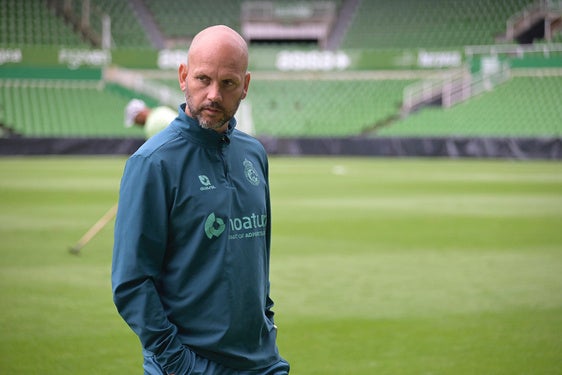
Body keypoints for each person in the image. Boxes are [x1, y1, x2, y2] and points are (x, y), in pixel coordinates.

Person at [112, 25, 290, 375]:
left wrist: (265, 323)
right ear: (183, 77)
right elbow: (131, 283)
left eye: (227, 83)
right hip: (190, 366)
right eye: (202, 79)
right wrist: (180, 365)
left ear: (245, 85)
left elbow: (259, 257)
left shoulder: (254, 154)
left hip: (262, 363)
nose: (213, 94)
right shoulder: (152, 163)